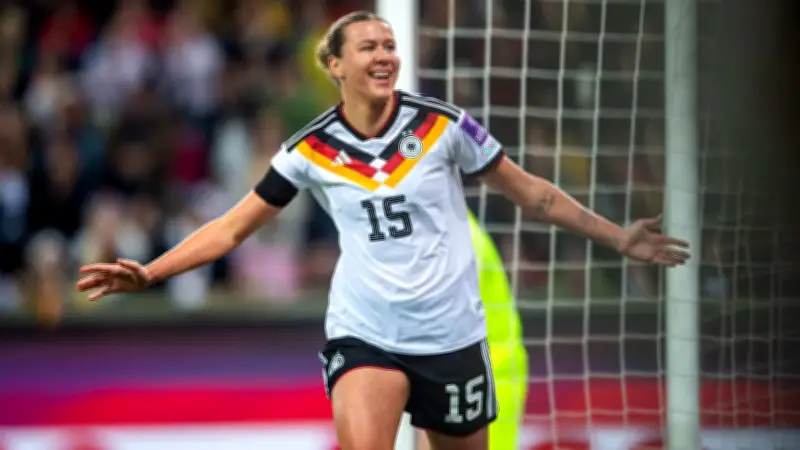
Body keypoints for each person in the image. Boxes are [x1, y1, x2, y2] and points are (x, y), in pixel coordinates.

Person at [76, 11, 690, 450]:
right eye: (368, 46)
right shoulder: (309, 150)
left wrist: (619, 237)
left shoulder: (444, 127)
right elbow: (232, 229)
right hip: (366, 333)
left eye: (389, 45)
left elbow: (535, 195)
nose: (385, 55)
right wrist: (151, 271)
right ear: (335, 65)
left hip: (451, 337)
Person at [417, 209, 528, 450]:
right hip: (479, 376)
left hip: (483, 383)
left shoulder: (453, 238)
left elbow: (444, 344)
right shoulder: (449, 227)